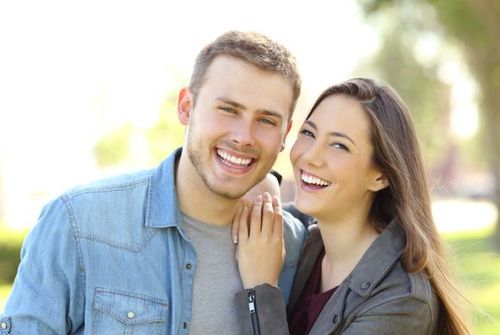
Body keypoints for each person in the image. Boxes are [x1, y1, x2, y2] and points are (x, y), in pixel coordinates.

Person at [0, 31, 306, 335]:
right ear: (187, 107)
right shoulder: (78, 222)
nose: (243, 136)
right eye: (228, 109)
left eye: (266, 120)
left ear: (285, 134)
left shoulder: (294, 249)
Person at [234, 78, 471, 334]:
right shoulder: (304, 239)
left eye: (339, 145)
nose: (310, 156)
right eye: (309, 133)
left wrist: (259, 290)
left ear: (381, 176)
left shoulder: (401, 301)